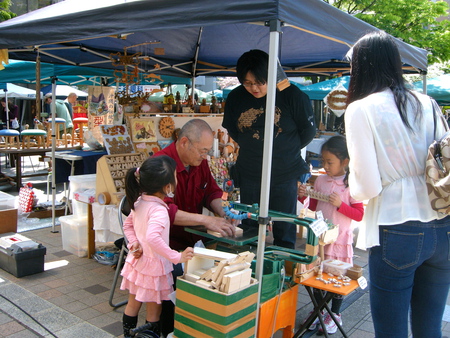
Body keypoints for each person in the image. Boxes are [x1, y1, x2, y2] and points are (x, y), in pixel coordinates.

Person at [344, 31, 450, 338]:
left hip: (396, 228)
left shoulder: (361, 109)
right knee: (430, 329)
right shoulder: (427, 103)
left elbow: (367, 187)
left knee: (390, 331)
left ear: (361, 67)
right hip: (442, 224)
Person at [222, 49, 316, 249]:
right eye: (247, 83)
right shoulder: (236, 98)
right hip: (249, 171)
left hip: (285, 172)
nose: (253, 88)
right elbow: (233, 129)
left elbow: (307, 131)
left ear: (271, 76)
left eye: (259, 82)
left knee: (284, 226)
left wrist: (284, 149)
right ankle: (249, 268)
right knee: (250, 225)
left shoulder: (292, 95)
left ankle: (280, 271)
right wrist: (255, 146)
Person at [154, 118, 235, 336]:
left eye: (207, 151)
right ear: (184, 143)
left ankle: (194, 327)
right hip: (165, 245)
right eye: (202, 151)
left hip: (193, 242)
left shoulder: (200, 163)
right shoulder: (160, 164)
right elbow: (164, 211)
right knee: (177, 286)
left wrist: (224, 211)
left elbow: (212, 191)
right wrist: (206, 220)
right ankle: (169, 330)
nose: (205, 156)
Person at [120, 155, 194, 338]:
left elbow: (127, 226)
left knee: (133, 304)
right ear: (167, 187)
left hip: (137, 263)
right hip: (154, 268)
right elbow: (153, 238)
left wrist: (134, 243)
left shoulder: (139, 202)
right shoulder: (160, 210)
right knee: (154, 312)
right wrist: (177, 257)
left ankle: (128, 335)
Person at [298, 135, 364, 334]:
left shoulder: (351, 184)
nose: (325, 166)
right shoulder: (321, 181)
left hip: (340, 240)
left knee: (337, 277)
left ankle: (334, 313)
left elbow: (359, 214)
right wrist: (303, 195)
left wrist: (341, 205)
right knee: (317, 275)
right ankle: (319, 310)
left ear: (344, 161)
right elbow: (316, 205)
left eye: (330, 162)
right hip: (321, 239)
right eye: (324, 161)